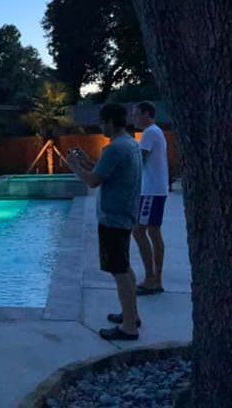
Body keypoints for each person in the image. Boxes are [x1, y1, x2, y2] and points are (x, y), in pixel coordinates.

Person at [65, 104, 143, 341]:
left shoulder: (114, 149)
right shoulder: (130, 144)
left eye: (101, 122)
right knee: (125, 268)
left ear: (109, 121)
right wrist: (88, 161)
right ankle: (132, 315)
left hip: (113, 218)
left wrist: (74, 166)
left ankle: (129, 328)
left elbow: (92, 181)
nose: (100, 126)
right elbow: (104, 172)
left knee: (119, 271)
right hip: (125, 214)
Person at [131, 101, 169, 295]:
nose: (134, 118)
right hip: (157, 189)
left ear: (147, 114)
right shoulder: (157, 131)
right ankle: (156, 279)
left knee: (138, 231)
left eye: (136, 114)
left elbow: (139, 160)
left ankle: (150, 279)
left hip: (151, 191)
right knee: (153, 232)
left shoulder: (149, 133)